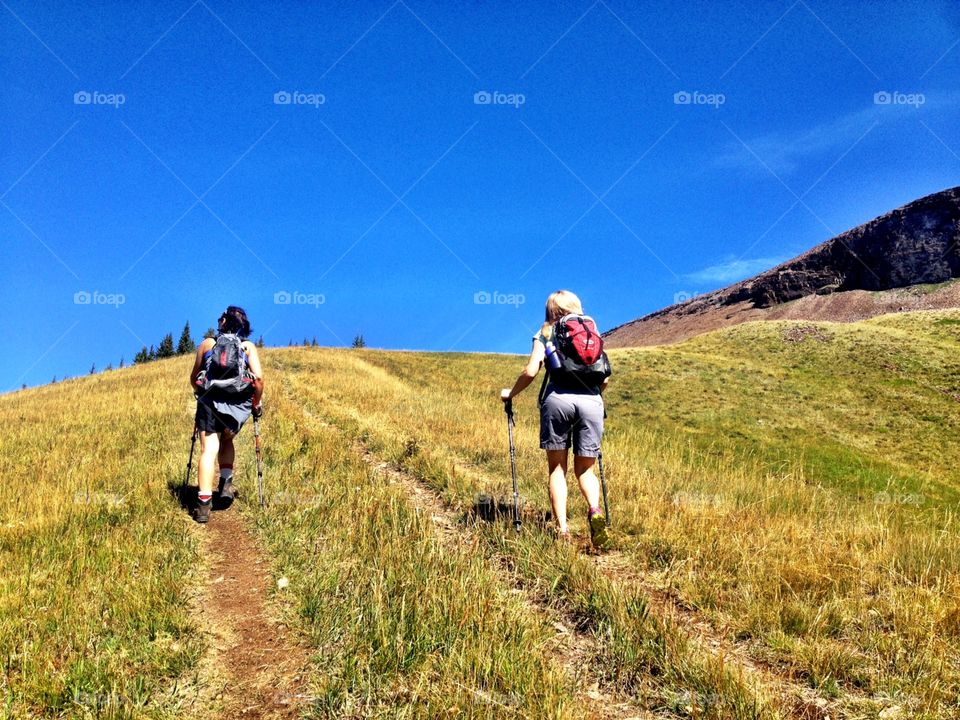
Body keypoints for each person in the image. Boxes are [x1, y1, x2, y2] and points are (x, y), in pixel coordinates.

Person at [500, 290, 610, 547]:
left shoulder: (547, 332)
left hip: (558, 400)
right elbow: (604, 377)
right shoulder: (591, 332)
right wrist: (592, 396)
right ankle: (594, 510)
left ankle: (562, 529)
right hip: (592, 402)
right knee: (585, 469)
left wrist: (511, 394)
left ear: (551, 311)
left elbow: (531, 371)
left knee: (557, 468)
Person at [189, 306, 264, 523]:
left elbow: (194, 378)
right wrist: (255, 404)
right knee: (227, 440)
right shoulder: (247, 347)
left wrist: (201, 394)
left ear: (224, 321)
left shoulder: (207, 344)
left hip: (209, 403)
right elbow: (258, 380)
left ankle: (203, 505)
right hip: (236, 405)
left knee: (208, 450)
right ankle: (225, 483)